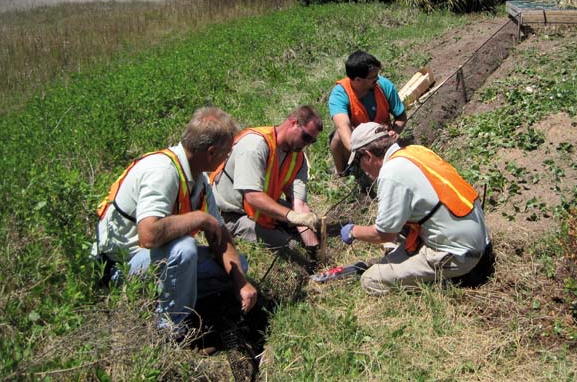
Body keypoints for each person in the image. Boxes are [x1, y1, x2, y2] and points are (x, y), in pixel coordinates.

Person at [93, 107, 258, 338]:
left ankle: (177, 300)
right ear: (211, 152)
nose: (226, 158)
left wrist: (241, 283)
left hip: (155, 262)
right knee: (184, 249)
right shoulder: (162, 172)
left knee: (236, 266)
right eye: (226, 153)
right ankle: (171, 330)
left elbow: (220, 235)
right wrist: (199, 218)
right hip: (122, 267)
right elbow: (148, 235)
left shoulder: (199, 179)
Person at [339, 122, 492, 295]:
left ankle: (451, 281)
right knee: (399, 233)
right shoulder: (415, 151)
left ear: (368, 156)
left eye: (359, 162)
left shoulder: (391, 173)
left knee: (370, 280)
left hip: (460, 254)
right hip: (477, 239)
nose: (361, 168)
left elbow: (384, 234)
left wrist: (353, 231)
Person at [211, 105, 322, 252]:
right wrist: (291, 216)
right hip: (231, 213)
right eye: (306, 137)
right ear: (293, 122)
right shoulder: (255, 145)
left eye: (312, 141)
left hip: (262, 208)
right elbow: (253, 196)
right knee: (288, 246)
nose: (307, 144)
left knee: (312, 235)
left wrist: (313, 247)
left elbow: (299, 204)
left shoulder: (298, 159)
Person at [328, 50, 407, 176]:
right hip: (358, 143)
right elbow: (342, 126)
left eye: (377, 75)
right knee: (337, 137)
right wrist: (359, 154)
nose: (377, 79)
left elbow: (401, 117)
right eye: (372, 78)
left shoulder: (384, 86)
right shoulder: (340, 94)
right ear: (358, 79)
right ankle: (342, 172)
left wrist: (395, 131)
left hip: (381, 138)